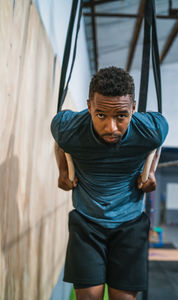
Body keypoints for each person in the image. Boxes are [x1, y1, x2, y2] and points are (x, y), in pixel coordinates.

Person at [51, 66, 168, 300]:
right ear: (89, 107)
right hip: (87, 223)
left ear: (133, 109)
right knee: (89, 297)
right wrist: (63, 170)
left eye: (121, 116)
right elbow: (60, 141)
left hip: (130, 224)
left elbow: (157, 145)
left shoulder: (151, 130)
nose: (111, 128)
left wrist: (151, 172)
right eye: (101, 115)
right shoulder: (68, 128)